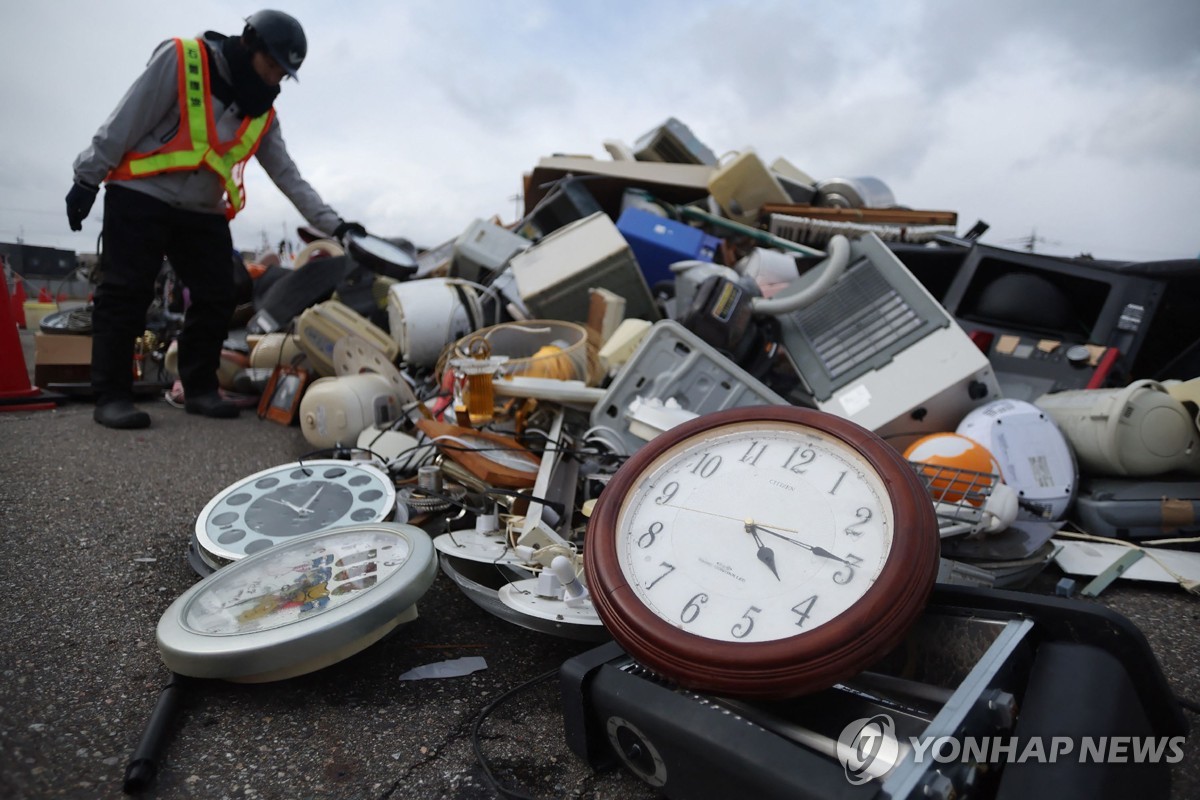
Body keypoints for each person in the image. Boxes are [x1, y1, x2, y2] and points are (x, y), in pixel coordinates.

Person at [66, 10, 367, 429]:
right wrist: (87, 178)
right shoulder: (183, 60)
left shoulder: (262, 113)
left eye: (284, 73)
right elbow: (126, 118)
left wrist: (337, 226)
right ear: (248, 42)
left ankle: (200, 387)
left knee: (220, 292)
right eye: (271, 65)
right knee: (126, 292)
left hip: (201, 210)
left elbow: (289, 177)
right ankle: (112, 396)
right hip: (141, 195)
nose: (274, 79)